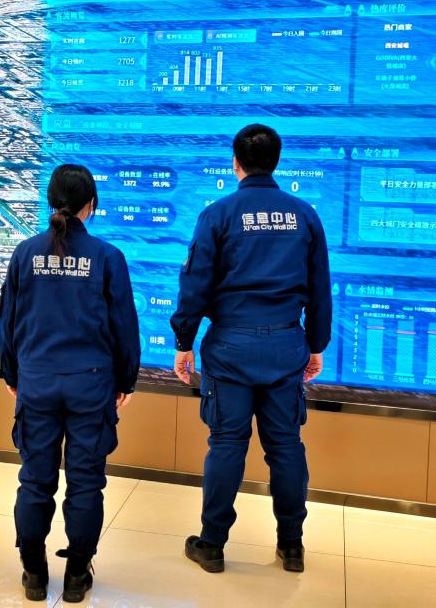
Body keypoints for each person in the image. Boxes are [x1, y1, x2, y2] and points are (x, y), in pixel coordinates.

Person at [171, 124, 332, 574]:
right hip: (286, 343)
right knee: (286, 446)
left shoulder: (218, 214)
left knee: (226, 444)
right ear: (276, 161)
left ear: (235, 162)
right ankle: (292, 546)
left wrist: (184, 342)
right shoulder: (305, 215)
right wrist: (316, 345)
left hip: (230, 347)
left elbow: (195, 284)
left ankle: (212, 545)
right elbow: (320, 289)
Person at [0, 164, 140, 603]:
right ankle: (77, 574)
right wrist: (126, 381)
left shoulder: (25, 253)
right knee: (86, 483)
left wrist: (13, 375)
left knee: (34, 482)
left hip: (37, 382)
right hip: (91, 386)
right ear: (90, 204)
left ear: (50, 200)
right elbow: (124, 327)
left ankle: (33, 572)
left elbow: (8, 321)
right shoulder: (107, 257)